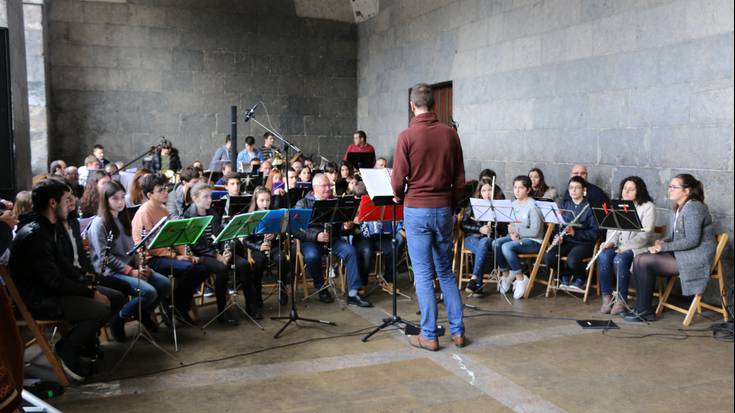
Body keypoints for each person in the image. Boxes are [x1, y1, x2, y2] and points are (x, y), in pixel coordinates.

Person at [9, 179, 112, 381]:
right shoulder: (35, 234)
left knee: (106, 298)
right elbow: (53, 281)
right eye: (66, 200)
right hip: (39, 300)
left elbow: (63, 266)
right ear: (53, 203)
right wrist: (90, 292)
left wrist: (88, 280)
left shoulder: (46, 226)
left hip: (50, 293)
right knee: (101, 308)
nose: (71, 204)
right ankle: (68, 350)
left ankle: (83, 347)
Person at [391, 82, 466, 350]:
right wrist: (453, 206)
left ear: (412, 106)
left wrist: (399, 194)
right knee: (445, 271)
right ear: (434, 105)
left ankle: (429, 336)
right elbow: (460, 178)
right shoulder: (450, 134)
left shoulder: (407, 136)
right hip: (443, 208)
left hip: (417, 209)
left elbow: (398, 179)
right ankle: (458, 332)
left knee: (423, 273)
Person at [623, 174, 715, 322]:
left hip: (695, 257)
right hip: (681, 253)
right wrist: (662, 241)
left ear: (687, 191)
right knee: (640, 258)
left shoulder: (694, 207)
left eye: (674, 187)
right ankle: (641, 309)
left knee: (645, 261)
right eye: (669, 186)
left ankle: (644, 311)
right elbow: (674, 237)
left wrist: (663, 247)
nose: (670, 190)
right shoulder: (677, 208)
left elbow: (692, 241)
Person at [88, 181, 171, 333]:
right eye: (115, 198)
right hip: (110, 272)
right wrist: (130, 271)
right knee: (149, 292)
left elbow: (133, 248)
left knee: (164, 284)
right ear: (105, 201)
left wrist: (141, 266)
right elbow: (103, 258)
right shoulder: (99, 224)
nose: (120, 202)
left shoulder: (124, 218)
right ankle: (119, 318)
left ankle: (141, 313)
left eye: (122, 197)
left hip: (129, 268)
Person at [132, 174, 209, 324]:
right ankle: (179, 307)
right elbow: (148, 246)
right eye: (161, 190)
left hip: (167, 256)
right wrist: (175, 257)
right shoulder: (144, 213)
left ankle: (177, 304)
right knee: (190, 269)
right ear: (149, 195)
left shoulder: (163, 209)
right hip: (152, 259)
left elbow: (175, 238)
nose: (166, 192)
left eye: (165, 188)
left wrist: (185, 253)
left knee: (202, 268)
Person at [295, 174, 372, 307]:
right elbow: (297, 230)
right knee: (312, 256)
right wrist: (316, 236)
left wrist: (346, 226)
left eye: (329, 185)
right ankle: (321, 288)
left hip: (333, 239)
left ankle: (353, 293)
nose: (328, 189)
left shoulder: (335, 201)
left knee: (351, 251)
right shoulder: (302, 203)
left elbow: (340, 228)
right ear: (314, 188)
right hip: (311, 242)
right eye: (324, 186)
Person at [183, 183, 254, 324]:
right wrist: (217, 256)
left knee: (244, 265)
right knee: (221, 269)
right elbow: (195, 245)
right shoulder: (188, 216)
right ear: (195, 198)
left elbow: (221, 235)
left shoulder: (213, 213)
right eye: (206, 197)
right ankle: (222, 312)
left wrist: (224, 251)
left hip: (217, 252)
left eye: (210, 196)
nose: (210, 200)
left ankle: (251, 307)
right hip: (202, 255)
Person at [597, 176, 656, 315]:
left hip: (638, 247)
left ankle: (621, 300)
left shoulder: (648, 207)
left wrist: (625, 247)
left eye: (631, 189)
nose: (626, 192)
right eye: (624, 189)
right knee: (603, 256)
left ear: (639, 191)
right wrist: (610, 242)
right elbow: (613, 229)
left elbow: (645, 235)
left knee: (620, 259)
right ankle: (607, 297)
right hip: (619, 246)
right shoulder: (618, 205)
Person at [492, 176, 545, 299]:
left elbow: (535, 231)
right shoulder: (513, 204)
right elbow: (512, 225)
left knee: (506, 247)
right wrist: (512, 233)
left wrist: (518, 232)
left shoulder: (533, 206)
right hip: (517, 237)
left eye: (520, 188)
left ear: (528, 190)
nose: (517, 190)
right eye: (515, 187)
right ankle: (506, 275)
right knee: (496, 243)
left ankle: (520, 278)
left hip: (533, 241)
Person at [543, 176, 600, 291]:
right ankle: (565, 275)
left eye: (577, 188)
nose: (573, 190)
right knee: (548, 257)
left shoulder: (590, 207)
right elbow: (559, 226)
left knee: (572, 260)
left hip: (584, 243)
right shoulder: (565, 205)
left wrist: (575, 233)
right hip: (567, 241)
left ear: (584, 190)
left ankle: (580, 277)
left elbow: (595, 234)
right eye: (571, 188)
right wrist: (559, 236)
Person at [244, 186, 290, 306]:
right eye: (262, 200)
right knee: (259, 262)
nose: (265, 203)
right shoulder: (250, 216)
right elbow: (246, 240)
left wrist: (275, 236)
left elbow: (284, 234)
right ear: (256, 201)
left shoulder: (276, 214)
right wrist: (258, 247)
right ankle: (257, 295)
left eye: (268, 200)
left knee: (281, 259)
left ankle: (283, 291)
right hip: (258, 247)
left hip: (273, 246)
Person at [461, 181, 498, 296]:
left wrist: (495, 226)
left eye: (489, 190)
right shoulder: (472, 204)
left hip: (488, 240)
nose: (487, 193)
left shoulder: (498, 205)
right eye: (484, 190)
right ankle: (477, 283)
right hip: (471, 238)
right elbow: (463, 225)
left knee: (484, 242)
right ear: (479, 192)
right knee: (481, 247)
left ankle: (475, 278)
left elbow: (503, 230)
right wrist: (479, 229)